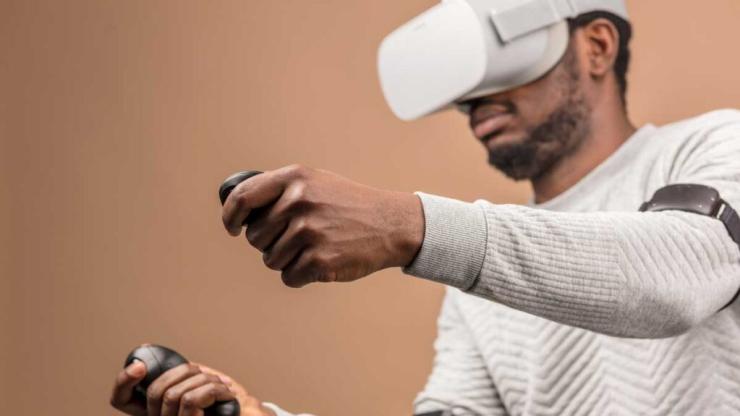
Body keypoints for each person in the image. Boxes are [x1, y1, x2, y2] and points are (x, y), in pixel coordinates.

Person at [111, 6, 740, 416]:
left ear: (597, 46)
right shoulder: (479, 286)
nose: (472, 103)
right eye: (464, 90)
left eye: (497, 74)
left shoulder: (714, 145)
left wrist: (406, 225)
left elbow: (680, 274)